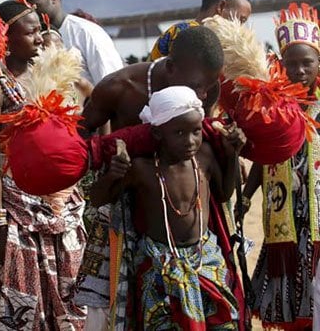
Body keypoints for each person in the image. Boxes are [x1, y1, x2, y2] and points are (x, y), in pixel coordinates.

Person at [74, 26, 244, 329]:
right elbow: (78, 144)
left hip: (197, 223)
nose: (202, 95)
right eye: (197, 87)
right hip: (132, 217)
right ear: (170, 67)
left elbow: (217, 182)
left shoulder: (205, 88)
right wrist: (111, 169)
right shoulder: (120, 87)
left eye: (207, 88)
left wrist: (229, 152)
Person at [0, 0, 86, 330]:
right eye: (31, 32)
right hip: (17, 208)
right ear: (5, 37)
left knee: (73, 293)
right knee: (22, 293)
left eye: (41, 31)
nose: (40, 38)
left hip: (62, 205)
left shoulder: (49, 76)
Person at [96, 86, 243, 329]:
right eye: (179, 133)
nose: (190, 141)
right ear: (157, 134)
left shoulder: (204, 157)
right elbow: (99, 199)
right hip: (159, 266)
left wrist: (231, 156)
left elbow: (224, 193)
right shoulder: (142, 169)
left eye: (196, 131)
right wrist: (112, 175)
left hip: (205, 261)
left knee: (222, 323)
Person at [239, 3, 320, 330]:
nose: (299, 71)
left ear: (319, 63)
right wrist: (245, 198)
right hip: (283, 212)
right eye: (291, 64)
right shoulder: (272, 107)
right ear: (280, 65)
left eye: (307, 63)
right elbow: (262, 157)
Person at [17, 0, 123, 86]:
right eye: (20, 0)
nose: (25, 6)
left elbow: (114, 88)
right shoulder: (22, 43)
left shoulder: (87, 33)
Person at [149, 0, 252, 61]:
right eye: (241, 20)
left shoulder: (207, 38)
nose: (240, 27)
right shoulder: (189, 33)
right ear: (221, 6)